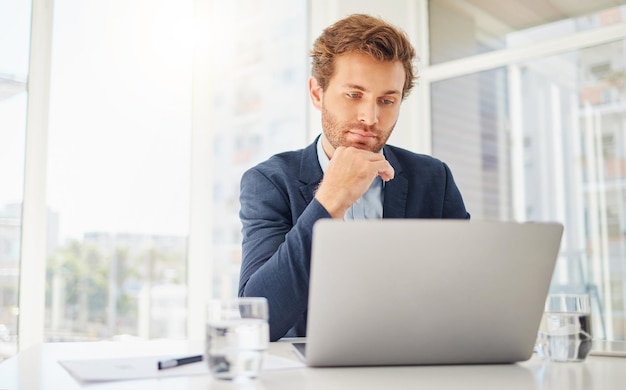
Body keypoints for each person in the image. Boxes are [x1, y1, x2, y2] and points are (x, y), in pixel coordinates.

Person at [238, 14, 470, 341]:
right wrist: (331, 200)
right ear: (317, 94)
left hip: (412, 364)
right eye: (354, 95)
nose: (370, 118)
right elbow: (255, 322)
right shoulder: (270, 182)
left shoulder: (434, 178)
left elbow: (468, 292)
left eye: (387, 100)